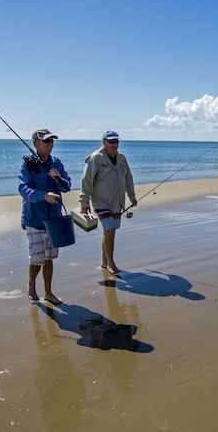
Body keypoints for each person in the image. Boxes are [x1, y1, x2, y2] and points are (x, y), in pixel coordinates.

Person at [19, 128, 71, 304]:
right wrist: (43, 196)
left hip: (54, 219)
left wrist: (58, 179)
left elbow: (67, 186)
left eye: (52, 141)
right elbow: (23, 189)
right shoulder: (28, 164)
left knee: (49, 258)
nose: (50, 144)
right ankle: (31, 285)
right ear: (35, 143)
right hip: (34, 218)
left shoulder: (56, 163)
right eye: (46, 141)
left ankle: (48, 292)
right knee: (37, 258)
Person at [80, 130, 137, 274]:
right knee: (109, 230)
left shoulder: (122, 159)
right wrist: (84, 202)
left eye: (116, 141)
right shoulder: (95, 158)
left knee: (110, 232)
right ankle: (111, 263)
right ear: (104, 142)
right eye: (111, 141)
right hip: (101, 202)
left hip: (117, 202)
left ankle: (104, 262)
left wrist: (132, 196)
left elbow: (128, 179)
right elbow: (87, 180)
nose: (114, 144)